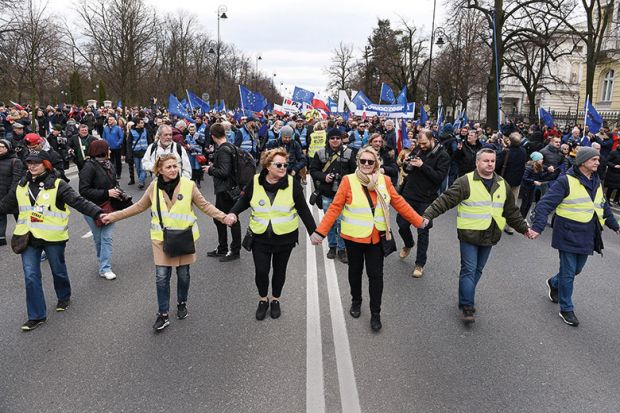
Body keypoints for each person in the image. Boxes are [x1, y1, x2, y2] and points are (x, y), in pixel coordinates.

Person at [101, 153, 228, 331]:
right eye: (168, 167)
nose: (173, 169)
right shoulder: (154, 187)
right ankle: (163, 314)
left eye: (175, 166)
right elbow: (138, 207)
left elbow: (205, 205)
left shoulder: (188, 185)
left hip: (184, 238)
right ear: (159, 170)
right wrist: (112, 216)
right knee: (162, 277)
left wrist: (224, 217)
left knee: (183, 275)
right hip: (161, 239)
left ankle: (182, 303)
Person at [311, 147, 424, 332]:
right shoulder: (348, 181)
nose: (366, 164)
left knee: (376, 277)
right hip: (353, 238)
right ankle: (356, 301)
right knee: (355, 273)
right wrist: (320, 232)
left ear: (376, 163)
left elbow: (400, 204)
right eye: (362, 161)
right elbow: (334, 208)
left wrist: (419, 221)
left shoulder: (385, 181)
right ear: (358, 162)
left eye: (370, 162)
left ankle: (375, 313)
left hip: (376, 239)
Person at [422, 148, 534, 324]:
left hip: (490, 235)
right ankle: (467, 305)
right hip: (469, 234)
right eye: (486, 161)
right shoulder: (465, 182)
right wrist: (428, 215)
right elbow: (445, 200)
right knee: (469, 269)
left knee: (478, 270)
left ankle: (466, 295)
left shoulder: (501, 184)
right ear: (477, 163)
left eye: (492, 161)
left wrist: (524, 228)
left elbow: (511, 211)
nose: (490, 164)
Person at [0, 150, 102, 331]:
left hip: (52, 237)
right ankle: (37, 316)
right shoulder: (21, 186)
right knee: (31, 276)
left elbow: (78, 201)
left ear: (46, 164)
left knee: (58, 270)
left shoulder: (57, 184)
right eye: (29, 163)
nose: (31, 166)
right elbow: (5, 205)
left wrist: (98, 213)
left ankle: (64, 296)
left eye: (36, 163)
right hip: (27, 237)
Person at [530, 147, 620, 327]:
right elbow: (544, 205)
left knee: (576, 270)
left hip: (588, 233)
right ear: (582, 162)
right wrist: (538, 227)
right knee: (569, 273)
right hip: (568, 233)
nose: (598, 162)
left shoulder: (596, 181)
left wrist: (615, 226)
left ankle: (554, 282)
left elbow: (603, 207)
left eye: (598, 159)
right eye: (594, 159)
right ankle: (566, 308)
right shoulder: (565, 181)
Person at [225, 148, 316, 320]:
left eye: (285, 165)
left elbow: (303, 209)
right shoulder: (255, 181)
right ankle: (262, 299)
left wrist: (314, 232)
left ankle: (275, 299)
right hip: (260, 237)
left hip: (285, 238)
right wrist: (233, 213)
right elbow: (245, 200)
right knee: (261, 271)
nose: (283, 168)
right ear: (267, 166)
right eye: (279, 165)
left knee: (279, 271)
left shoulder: (292, 183)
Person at [397, 129, 450, 278]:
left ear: (432, 139)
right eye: (420, 143)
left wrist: (422, 166)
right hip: (409, 194)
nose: (422, 146)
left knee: (423, 231)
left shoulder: (443, 155)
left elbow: (439, 178)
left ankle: (419, 264)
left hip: (426, 198)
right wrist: (408, 163)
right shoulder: (419, 149)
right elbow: (409, 170)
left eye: (424, 143)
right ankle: (408, 243)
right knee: (401, 224)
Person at [309, 127, 357, 263]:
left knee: (342, 222)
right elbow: (313, 170)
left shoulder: (349, 152)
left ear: (341, 139)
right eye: (332, 138)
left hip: (344, 195)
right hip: (327, 194)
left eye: (337, 138)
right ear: (328, 139)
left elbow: (355, 172)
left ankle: (342, 249)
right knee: (330, 222)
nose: (335, 140)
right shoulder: (320, 153)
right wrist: (324, 177)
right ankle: (332, 246)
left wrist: (344, 179)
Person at [78, 140, 122, 280]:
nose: (110, 151)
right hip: (92, 209)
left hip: (110, 207)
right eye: (108, 149)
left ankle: (105, 267)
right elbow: (83, 191)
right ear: (101, 151)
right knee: (98, 239)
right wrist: (106, 193)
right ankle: (103, 260)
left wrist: (117, 191)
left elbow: (114, 183)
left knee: (106, 237)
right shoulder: (88, 167)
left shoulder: (110, 165)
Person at [203, 123, 242, 262]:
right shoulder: (231, 146)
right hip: (230, 188)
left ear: (213, 136)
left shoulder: (224, 150)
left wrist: (210, 169)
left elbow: (224, 172)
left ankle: (231, 250)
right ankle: (224, 247)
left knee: (228, 219)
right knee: (223, 218)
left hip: (225, 189)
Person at [495, 132, 528, 234]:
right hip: (517, 182)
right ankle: (510, 227)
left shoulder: (506, 152)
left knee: (498, 202)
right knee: (512, 204)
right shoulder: (523, 151)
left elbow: (497, 166)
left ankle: (495, 223)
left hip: (504, 181)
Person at [0, 139, 24, 245]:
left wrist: (11, 195)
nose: (0, 149)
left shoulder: (15, 161)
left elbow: (16, 180)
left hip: (13, 195)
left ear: (8, 148)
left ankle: (24, 235)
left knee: (18, 216)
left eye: (2, 147)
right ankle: (1, 238)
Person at [519, 151, 552, 219]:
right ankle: (521, 218)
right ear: (536, 160)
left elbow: (541, 176)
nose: (542, 160)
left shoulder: (539, 167)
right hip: (526, 187)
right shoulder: (529, 167)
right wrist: (534, 181)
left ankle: (524, 218)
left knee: (529, 203)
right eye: (541, 159)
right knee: (525, 203)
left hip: (532, 187)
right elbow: (524, 178)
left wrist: (548, 172)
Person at [128, 118, 150, 189]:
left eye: (143, 123)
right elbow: (129, 143)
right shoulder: (132, 131)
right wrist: (129, 153)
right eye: (141, 123)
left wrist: (150, 150)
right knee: (137, 168)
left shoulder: (145, 130)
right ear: (137, 123)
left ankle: (141, 182)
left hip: (144, 152)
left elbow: (149, 140)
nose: (143, 124)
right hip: (136, 152)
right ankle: (142, 179)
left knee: (142, 168)